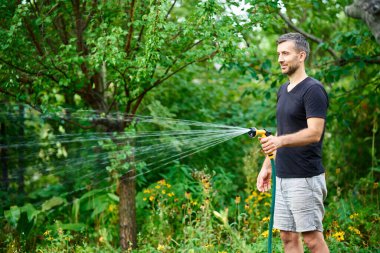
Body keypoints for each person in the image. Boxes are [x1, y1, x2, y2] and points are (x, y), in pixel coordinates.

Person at [257, 33, 330, 253]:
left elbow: (314, 133)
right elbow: (283, 130)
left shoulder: (313, 90)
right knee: (288, 238)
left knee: (312, 239)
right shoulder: (283, 90)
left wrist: (279, 141)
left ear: (301, 55)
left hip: (305, 178)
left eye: (285, 53)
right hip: (283, 176)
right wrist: (267, 166)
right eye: (279, 54)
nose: (280, 59)